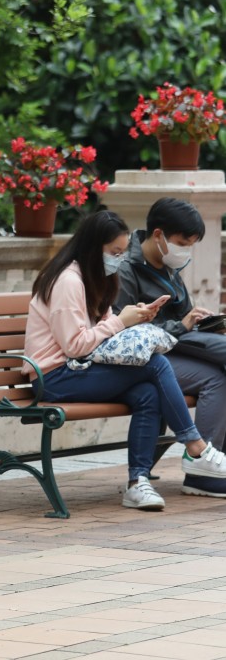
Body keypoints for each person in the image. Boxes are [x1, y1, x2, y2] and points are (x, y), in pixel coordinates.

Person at [23, 210, 226, 513]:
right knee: (156, 366)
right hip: (54, 376)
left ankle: (138, 483)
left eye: (121, 251)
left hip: (82, 369)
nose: (119, 258)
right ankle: (196, 448)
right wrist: (121, 323)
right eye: (114, 252)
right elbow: (75, 345)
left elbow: (103, 332)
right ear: (93, 248)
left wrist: (136, 317)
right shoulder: (68, 281)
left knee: (147, 393)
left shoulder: (97, 277)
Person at [114, 197, 226, 498]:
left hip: (174, 351)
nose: (186, 250)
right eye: (182, 242)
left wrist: (205, 323)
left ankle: (209, 465)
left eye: (191, 244)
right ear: (159, 235)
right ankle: (202, 467)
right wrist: (184, 325)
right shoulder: (125, 268)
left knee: (220, 372)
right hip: (144, 361)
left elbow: (182, 318)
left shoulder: (167, 266)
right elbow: (124, 333)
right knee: (216, 376)